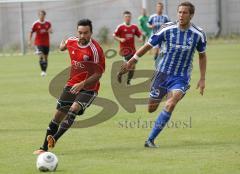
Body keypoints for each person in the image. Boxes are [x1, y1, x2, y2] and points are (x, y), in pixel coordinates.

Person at [120, 1, 207, 148]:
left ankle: (150, 140)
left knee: (171, 103)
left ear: (191, 15)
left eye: (185, 12)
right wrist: (132, 61)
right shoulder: (166, 29)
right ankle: (164, 96)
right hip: (162, 74)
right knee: (151, 109)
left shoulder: (198, 34)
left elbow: (202, 55)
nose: (181, 15)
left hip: (181, 77)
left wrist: (202, 78)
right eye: (179, 12)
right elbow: (149, 45)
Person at [33, 19, 105, 154]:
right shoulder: (72, 41)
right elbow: (64, 45)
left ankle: (54, 139)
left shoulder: (95, 50)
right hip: (72, 84)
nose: (83, 36)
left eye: (86, 33)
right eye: (80, 33)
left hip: (89, 87)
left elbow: (98, 74)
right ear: (77, 32)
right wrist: (61, 47)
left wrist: (82, 84)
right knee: (57, 116)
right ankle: (43, 148)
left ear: (91, 32)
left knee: (73, 109)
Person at [113, 11, 142, 85]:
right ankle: (120, 74)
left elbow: (139, 35)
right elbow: (114, 35)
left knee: (133, 67)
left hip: (133, 51)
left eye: (129, 17)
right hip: (124, 51)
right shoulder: (121, 27)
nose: (128, 18)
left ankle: (128, 81)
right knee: (129, 66)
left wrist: (140, 38)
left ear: (131, 17)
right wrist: (120, 39)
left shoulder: (134, 27)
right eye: (126, 17)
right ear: (124, 18)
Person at [28, 10, 52, 77]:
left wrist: (50, 31)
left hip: (46, 43)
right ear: (38, 15)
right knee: (41, 55)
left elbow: (51, 30)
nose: (41, 16)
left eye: (43, 15)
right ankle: (38, 51)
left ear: (44, 15)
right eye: (40, 15)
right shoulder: (35, 24)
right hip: (38, 42)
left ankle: (44, 71)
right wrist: (29, 40)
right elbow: (31, 32)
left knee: (46, 58)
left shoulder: (48, 23)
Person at [148, 2, 170, 67]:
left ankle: (160, 65)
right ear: (156, 8)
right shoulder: (152, 17)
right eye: (158, 7)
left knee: (162, 53)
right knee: (156, 52)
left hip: (163, 38)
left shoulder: (165, 17)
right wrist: (151, 26)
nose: (159, 8)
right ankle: (156, 63)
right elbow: (148, 24)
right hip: (154, 36)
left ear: (162, 8)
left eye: (160, 7)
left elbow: (169, 25)